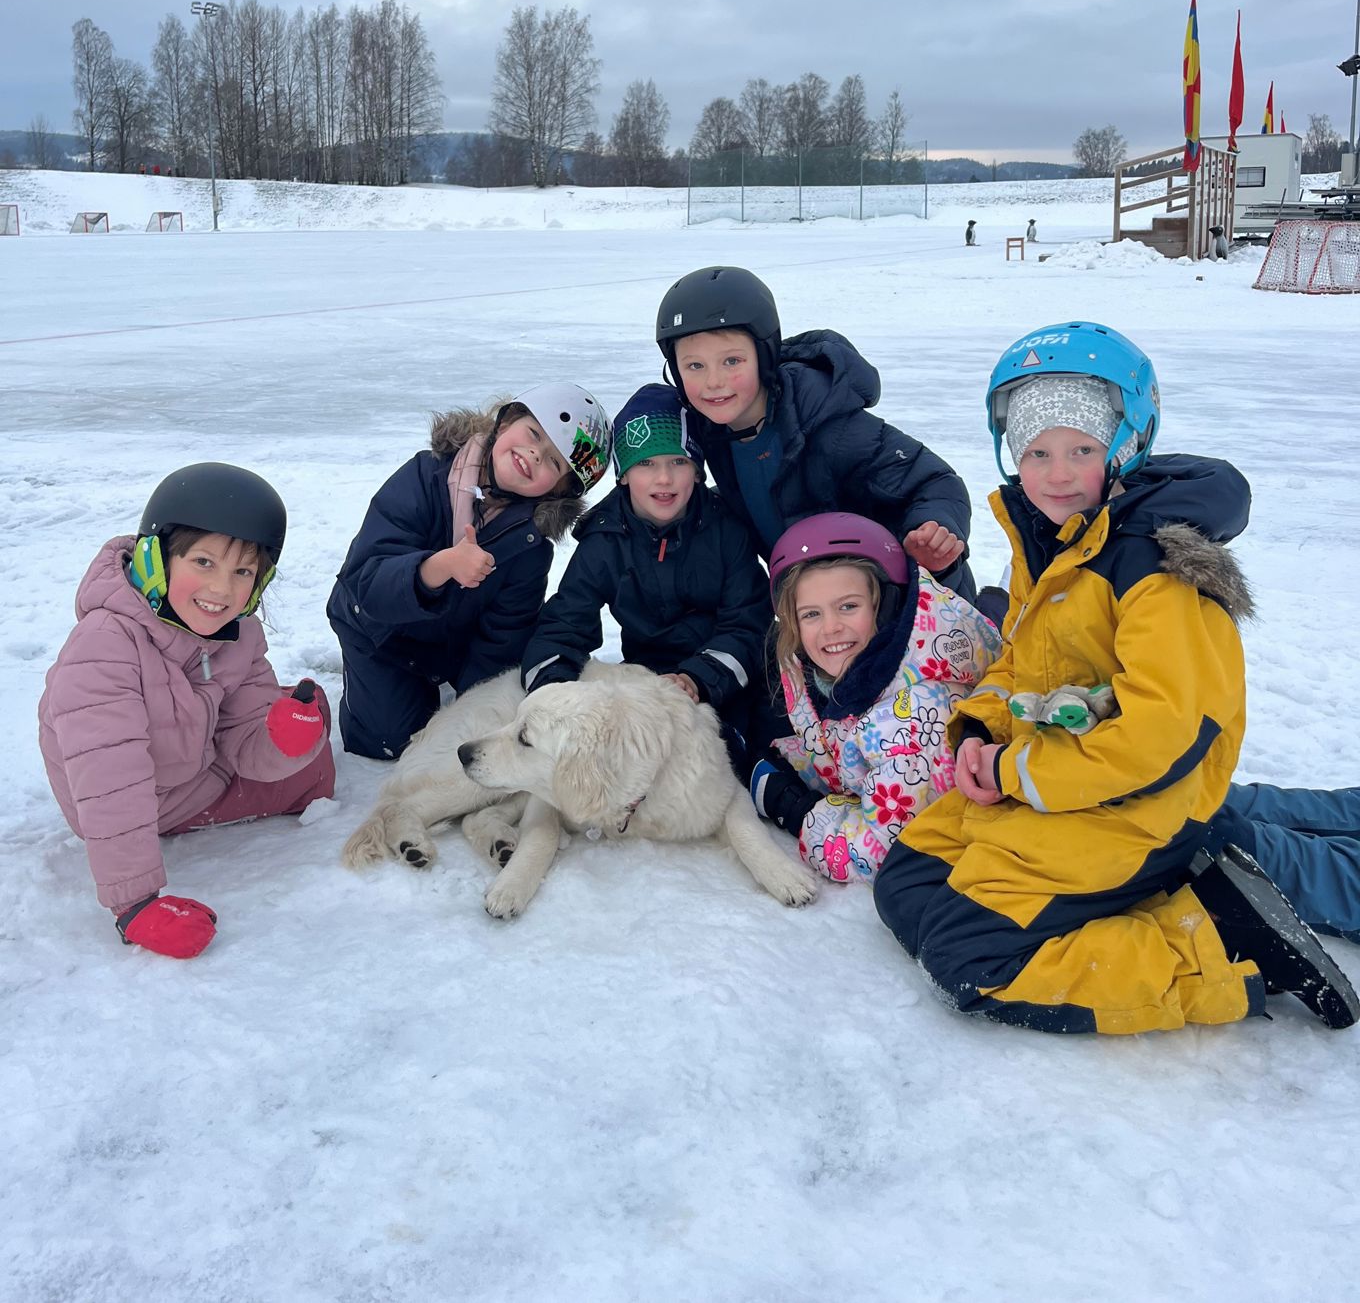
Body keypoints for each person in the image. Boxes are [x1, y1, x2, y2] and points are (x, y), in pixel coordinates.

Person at [874, 321, 1358, 1033]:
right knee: (907, 884)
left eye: (1082, 449)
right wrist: (983, 726)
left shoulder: (1153, 570)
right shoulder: (1054, 544)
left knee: (968, 951)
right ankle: (1161, 895)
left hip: (1136, 800)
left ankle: (1223, 947)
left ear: (1125, 446)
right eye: (1035, 451)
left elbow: (1158, 735)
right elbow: (1023, 660)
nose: (1057, 471)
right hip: (1066, 778)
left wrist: (1015, 769)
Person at [38, 463, 335, 960]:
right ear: (157, 558)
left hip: (193, 766)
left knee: (307, 720)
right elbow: (111, 782)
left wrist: (283, 741)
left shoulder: (239, 636)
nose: (221, 590)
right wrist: (135, 905)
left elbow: (245, 741)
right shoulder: (104, 647)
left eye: (242, 571)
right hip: (129, 804)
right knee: (316, 765)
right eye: (203, 562)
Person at [654, 266, 976, 599]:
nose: (713, 381)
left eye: (732, 361)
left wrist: (933, 530)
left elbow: (934, 479)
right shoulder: (714, 434)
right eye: (695, 366)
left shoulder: (828, 427)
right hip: (823, 617)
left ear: (764, 356)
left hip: (916, 604)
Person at [330, 383, 612, 761]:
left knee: (458, 734)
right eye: (534, 434)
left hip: (447, 642)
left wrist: (474, 712)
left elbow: (502, 636)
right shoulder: (424, 476)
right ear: (507, 421)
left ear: (559, 491)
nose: (533, 454)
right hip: (379, 628)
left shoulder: (530, 547)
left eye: (553, 462)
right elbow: (367, 580)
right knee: (389, 741)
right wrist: (441, 566)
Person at [520, 384, 769, 767]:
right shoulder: (604, 541)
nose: (663, 479)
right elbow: (563, 624)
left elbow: (748, 623)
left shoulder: (726, 528)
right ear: (623, 476)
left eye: (678, 462)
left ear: (698, 471)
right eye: (646, 464)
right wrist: (551, 689)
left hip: (726, 678)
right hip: (647, 677)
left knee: (730, 755)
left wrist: (697, 679)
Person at [748, 513, 1001, 884]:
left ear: (883, 605)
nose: (831, 626)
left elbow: (872, 855)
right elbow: (836, 744)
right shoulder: (826, 669)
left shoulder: (911, 721)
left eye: (848, 606)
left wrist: (793, 807)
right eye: (811, 614)